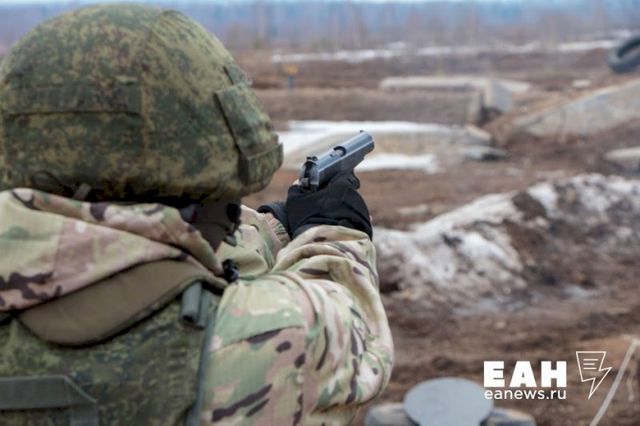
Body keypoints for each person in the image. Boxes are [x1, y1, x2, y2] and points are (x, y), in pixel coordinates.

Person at [0, 4, 393, 425]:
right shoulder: (256, 340)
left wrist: (274, 228)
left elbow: (120, 244)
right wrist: (334, 233)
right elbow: (356, 342)